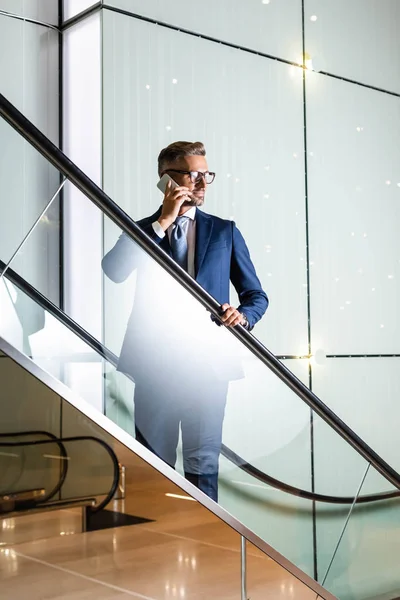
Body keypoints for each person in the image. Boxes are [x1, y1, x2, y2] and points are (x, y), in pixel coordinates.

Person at [102, 141, 268, 502]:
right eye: (193, 175)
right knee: (152, 465)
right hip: (155, 366)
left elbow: (256, 296)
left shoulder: (224, 231)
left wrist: (243, 315)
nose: (203, 183)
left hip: (207, 367)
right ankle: (156, 546)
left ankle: (206, 549)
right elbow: (113, 270)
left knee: (203, 463)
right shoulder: (144, 228)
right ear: (167, 180)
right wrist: (163, 220)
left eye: (206, 174)